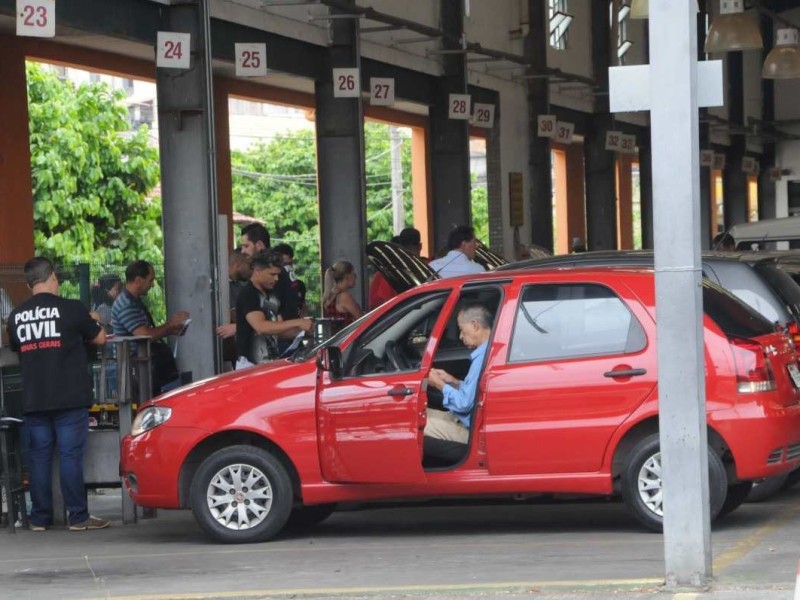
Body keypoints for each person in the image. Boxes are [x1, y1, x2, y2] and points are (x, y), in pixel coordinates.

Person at [5, 257, 109, 531]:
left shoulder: (17, 317)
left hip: (35, 398)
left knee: (39, 458)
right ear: (51, 276)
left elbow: (16, 346)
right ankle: (78, 516)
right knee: (70, 455)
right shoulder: (72, 309)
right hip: (69, 396)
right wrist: (94, 319)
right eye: (57, 278)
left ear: (29, 285)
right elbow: (100, 338)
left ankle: (39, 518)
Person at [111, 260, 190, 394]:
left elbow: (148, 332)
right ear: (138, 280)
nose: (152, 285)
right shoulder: (126, 304)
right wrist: (170, 324)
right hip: (137, 368)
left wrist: (171, 329)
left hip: (147, 365)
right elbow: (145, 335)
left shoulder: (134, 300)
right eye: (150, 280)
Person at [425, 303, 492, 444]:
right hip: (465, 420)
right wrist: (453, 381)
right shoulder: (487, 351)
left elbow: (464, 404)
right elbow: (473, 394)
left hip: (470, 429)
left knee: (413, 426)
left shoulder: (483, 358)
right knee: (420, 415)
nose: (460, 336)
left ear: (475, 325)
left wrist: (439, 384)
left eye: (461, 329)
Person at [235, 250, 314, 369]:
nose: (276, 278)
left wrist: (302, 333)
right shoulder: (248, 294)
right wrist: (298, 322)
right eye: (272, 274)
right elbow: (261, 327)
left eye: (278, 274)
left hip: (270, 363)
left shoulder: (272, 295)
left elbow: (277, 330)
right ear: (257, 271)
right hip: (250, 365)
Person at [369, 227, 425, 310]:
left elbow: (384, 303)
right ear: (420, 246)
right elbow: (385, 303)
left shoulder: (387, 272)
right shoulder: (428, 267)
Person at [322, 260, 363, 330]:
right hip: (348, 337)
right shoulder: (344, 297)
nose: (356, 277)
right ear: (347, 276)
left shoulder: (328, 296)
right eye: (354, 274)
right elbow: (361, 319)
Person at [273, 242, 308, 317]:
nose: (287, 268)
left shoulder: (299, 285)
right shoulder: (271, 286)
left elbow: (303, 309)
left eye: (290, 264)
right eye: (284, 265)